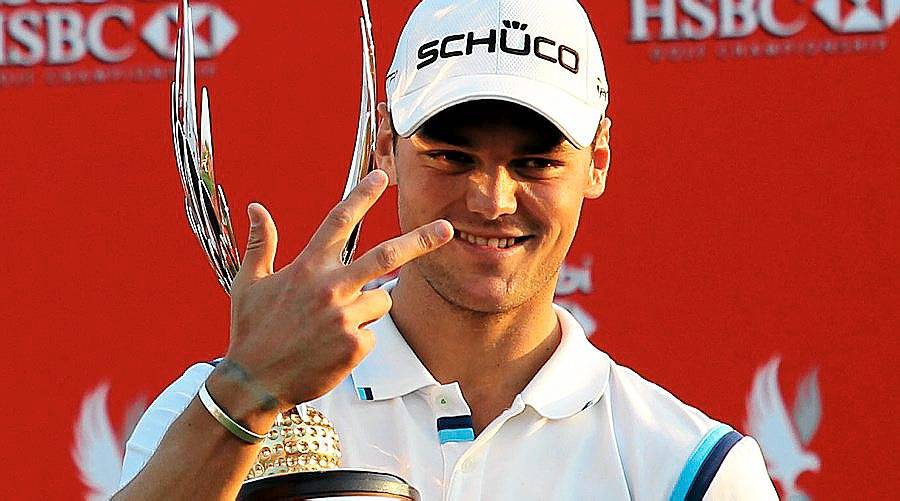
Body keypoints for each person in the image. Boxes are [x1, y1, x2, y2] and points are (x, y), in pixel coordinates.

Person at [115, 0, 777, 499]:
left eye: (537, 163)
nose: (491, 199)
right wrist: (245, 397)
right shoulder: (218, 410)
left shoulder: (690, 469)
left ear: (597, 161)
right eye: (451, 157)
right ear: (385, 147)